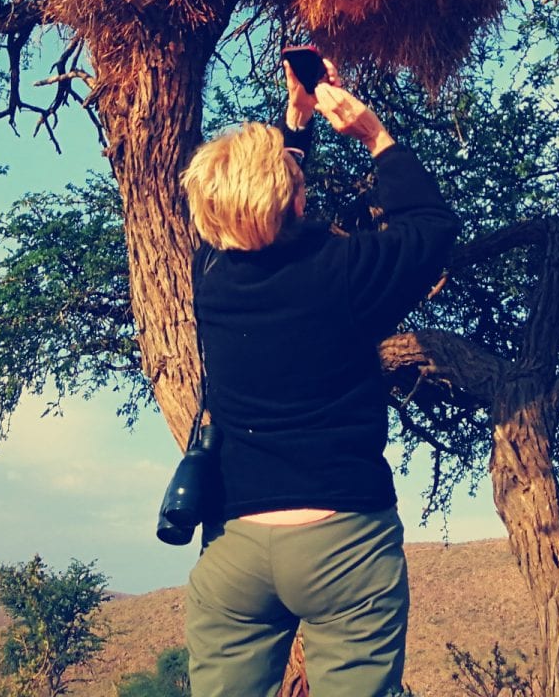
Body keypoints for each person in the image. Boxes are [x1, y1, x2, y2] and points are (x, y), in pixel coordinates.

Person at [179, 59, 458, 697]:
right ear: (297, 198)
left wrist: (294, 126)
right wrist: (373, 134)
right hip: (344, 540)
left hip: (235, 548)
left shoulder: (209, 280)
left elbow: (259, 217)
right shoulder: (348, 273)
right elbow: (430, 228)